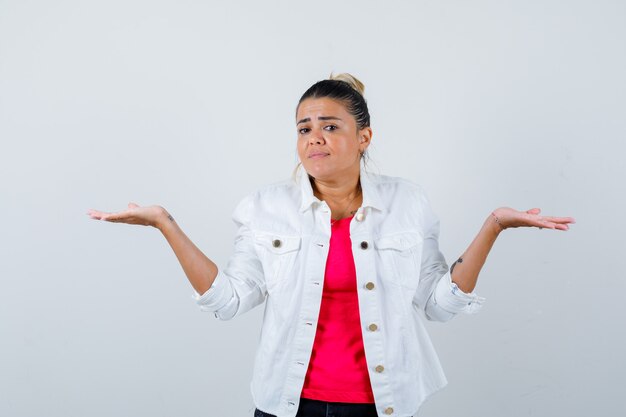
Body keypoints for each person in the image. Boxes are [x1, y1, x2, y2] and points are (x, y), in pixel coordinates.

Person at [87, 73, 575, 417]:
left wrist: (493, 226)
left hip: (385, 404)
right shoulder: (265, 208)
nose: (314, 138)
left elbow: (438, 305)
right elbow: (230, 301)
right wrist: (165, 224)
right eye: (304, 129)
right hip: (287, 404)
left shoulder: (408, 202)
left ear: (364, 137)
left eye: (330, 126)